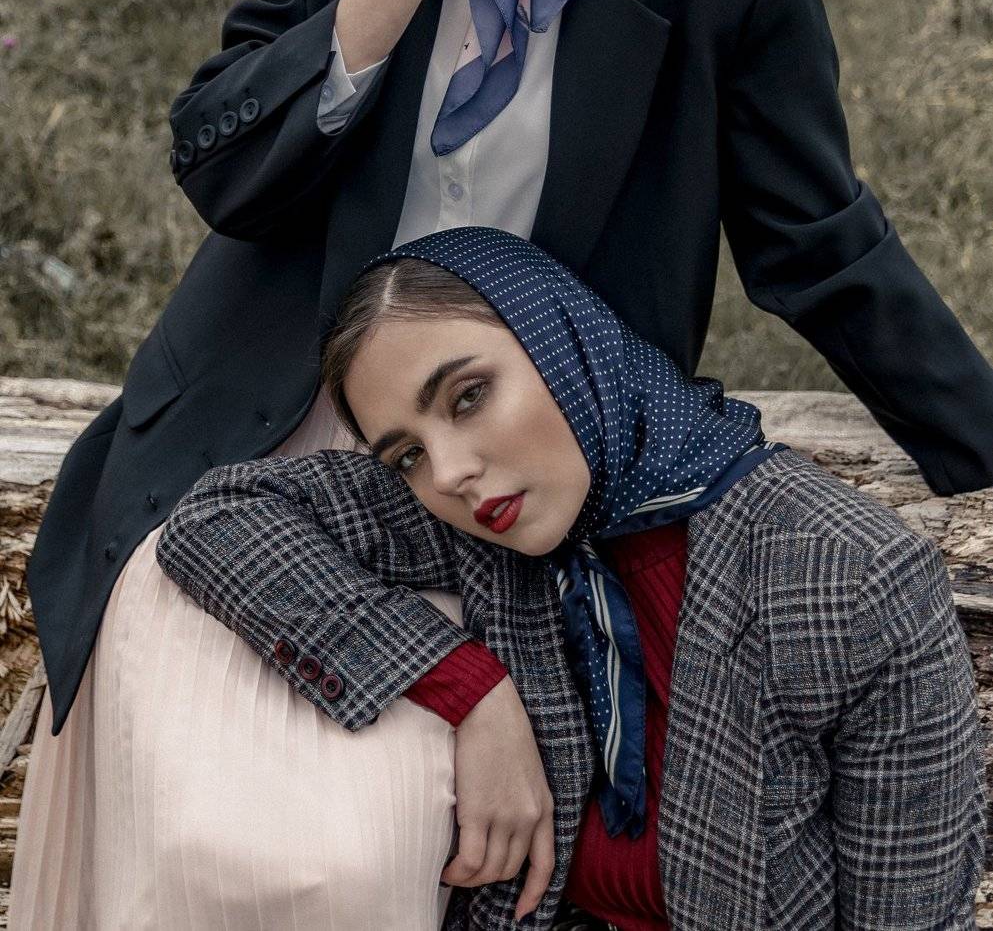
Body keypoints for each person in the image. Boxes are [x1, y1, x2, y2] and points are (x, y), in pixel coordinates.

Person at [12, 0, 993, 926]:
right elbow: (224, 168)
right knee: (267, 848)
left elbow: (822, 250)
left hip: (511, 482)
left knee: (406, 846)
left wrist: (982, 444)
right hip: (267, 458)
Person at [155, 226, 987, 930]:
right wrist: (469, 689)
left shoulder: (847, 576)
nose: (447, 472)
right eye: (405, 454)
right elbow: (218, 518)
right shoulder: (491, 529)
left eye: (468, 396)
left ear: (566, 342)